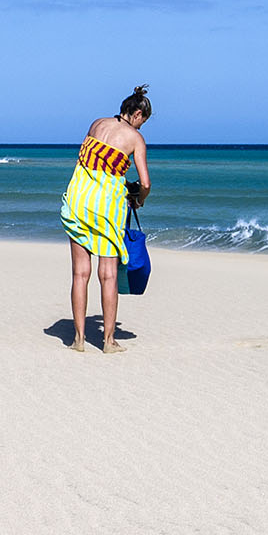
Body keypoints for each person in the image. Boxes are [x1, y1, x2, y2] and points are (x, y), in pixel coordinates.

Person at [60, 85, 152, 353]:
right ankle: (108, 342)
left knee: (80, 273)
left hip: (78, 200)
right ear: (136, 113)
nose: (140, 128)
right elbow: (144, 182)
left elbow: (94, 162)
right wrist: (140, 197)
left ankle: (78, 340)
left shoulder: (97, 123)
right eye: (142, 122)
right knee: (108, 275)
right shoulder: (135, 138)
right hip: (106, 208)